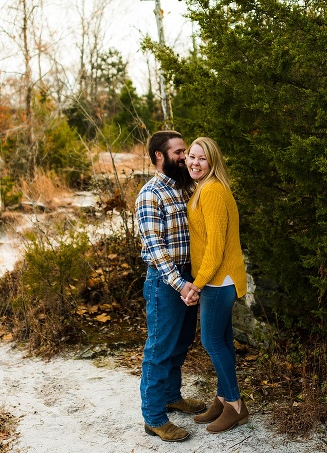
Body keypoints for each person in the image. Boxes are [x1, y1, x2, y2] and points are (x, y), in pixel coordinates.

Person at [135, 130, 206, 442]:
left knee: (181, 343)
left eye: (185, 151)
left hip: (188, 277)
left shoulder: (183, 188)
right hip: (165, 281)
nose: (184, 157)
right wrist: (182, 285)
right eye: (178, 152)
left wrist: (195, 280)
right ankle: (153, 417)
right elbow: (155, 247)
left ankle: (171, 395)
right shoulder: (150, 194)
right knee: (160, 348)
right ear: (158, 157)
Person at [184, 136, 249, 433]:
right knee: (221, 340)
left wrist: (197, 284)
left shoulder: (211, 191)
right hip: (216, 278)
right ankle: (222, 399)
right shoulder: (205, 188)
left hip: (218, 280)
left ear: (212, 162)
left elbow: (215, 247)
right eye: (191, 157)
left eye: (202, 159)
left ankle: (235, 405)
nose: (195, 163)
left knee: (211, 341)